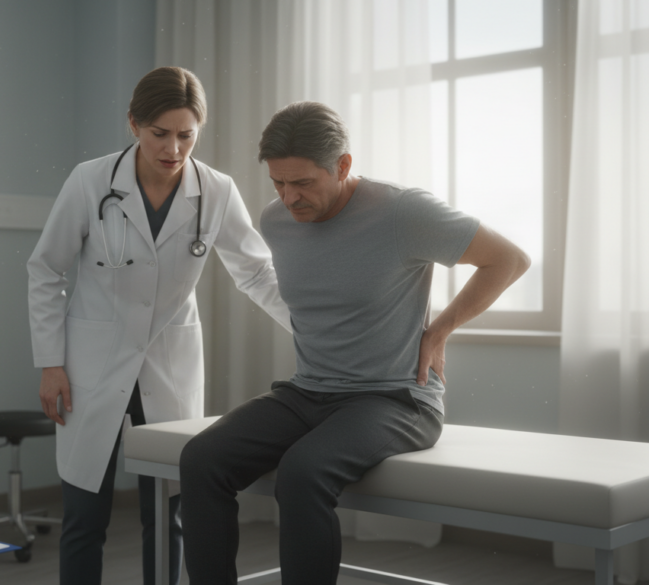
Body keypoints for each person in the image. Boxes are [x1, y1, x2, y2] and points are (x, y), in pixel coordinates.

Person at [179, 101, 532, 585]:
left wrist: (440, 329)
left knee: (302, 475)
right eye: (279, 183)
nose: (289, 197)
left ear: (343, 165)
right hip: (308, 390)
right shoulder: (277, 220)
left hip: (396, 398)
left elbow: (509, 259)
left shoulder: (402, 211)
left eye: (303, 183)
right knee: (201, 460)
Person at [27, 67, 291, 585]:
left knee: (168, 515)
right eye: (160, 134)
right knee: (85, 515)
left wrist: (315, 329)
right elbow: (46, 269)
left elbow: (256, 271)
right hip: (90, 364)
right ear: (134, 124)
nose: (174, 148)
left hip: (167, 362)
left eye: (187, 135)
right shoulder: (90, 181)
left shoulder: (215, 190)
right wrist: (50, 363)